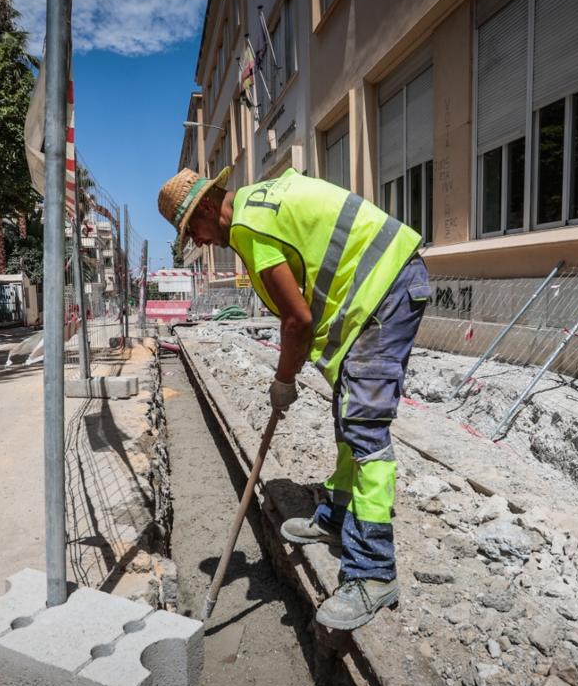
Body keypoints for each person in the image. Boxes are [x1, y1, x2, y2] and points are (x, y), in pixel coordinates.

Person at [158, 166, 429, 630]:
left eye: (193, 230)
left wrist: (284, 381)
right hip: (377, 289)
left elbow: (296, 320)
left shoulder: (249, 229)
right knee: (349, 411)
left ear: (206, 207)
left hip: (386, 289)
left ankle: (374, 572)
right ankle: (338, 517)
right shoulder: (257, 204)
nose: (198, 242)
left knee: (365, 428)